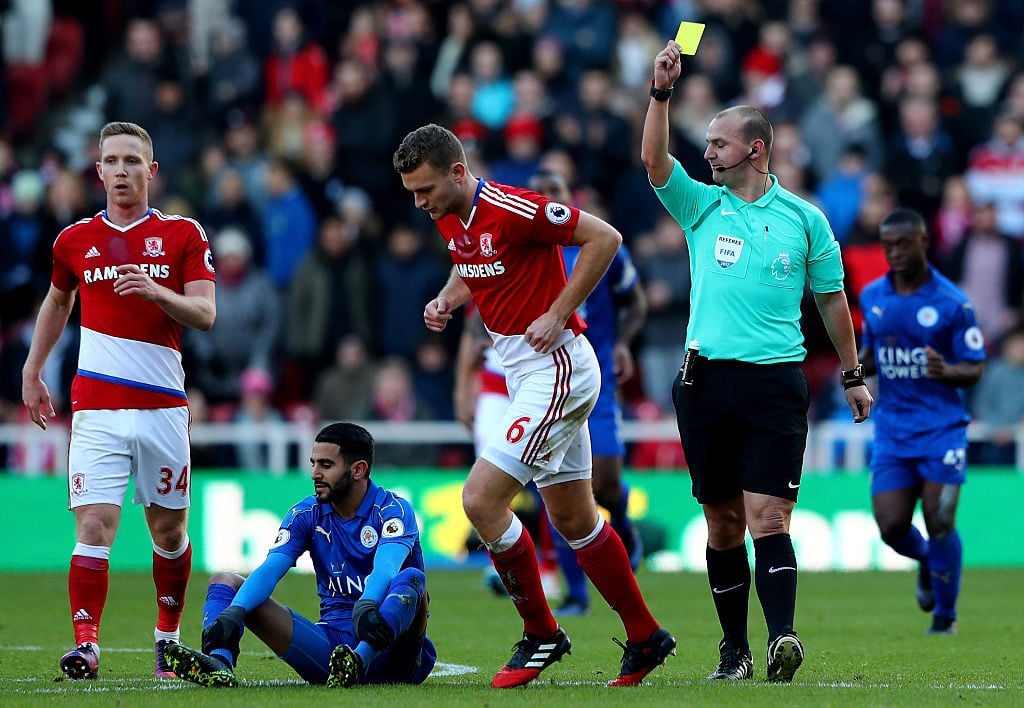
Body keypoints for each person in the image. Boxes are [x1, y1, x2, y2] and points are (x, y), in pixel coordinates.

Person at [394, 123, 674, 688]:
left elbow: (606, 238)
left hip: (557, 368)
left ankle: (542, 633)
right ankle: (645, 636)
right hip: (527, 374)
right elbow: (471, 262)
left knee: (480, 500)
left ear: (457, 171)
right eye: (412, 193)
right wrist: (448, 299)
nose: (419, 203)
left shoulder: (514, 206)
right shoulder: (451, 216)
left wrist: (558, 310)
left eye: (425, 190)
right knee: (575, 519)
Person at [641, 43, 873, 684]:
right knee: (720, 521)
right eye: (707, 142)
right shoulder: (699, 205)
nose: (707, 151)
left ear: (755, 148)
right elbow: (654, 160)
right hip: (706, 380)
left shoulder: (805, 220)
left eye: (717, 142)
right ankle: (734, 649)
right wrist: (660, 93)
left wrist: (853, 373)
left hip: (775, 382)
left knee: (770, 515)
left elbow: (832, 300)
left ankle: (782, 639)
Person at [21, 121, 217, 679]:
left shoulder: (183, 234)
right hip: (97, 410)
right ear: (99, 169)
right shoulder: (73, 241)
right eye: (112, 160)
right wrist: (33, 370)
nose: (122, 170)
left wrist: (157, 291)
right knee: (94, 528)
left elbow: (205, 314)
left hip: (162, 408)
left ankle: (168, 641)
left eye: (133, 160)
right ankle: (86, 644)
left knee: (169, 533)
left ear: (151, 171)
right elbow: (57, 304)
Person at [162, 422, 436, 688]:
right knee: (227, 581)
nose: (315, 473)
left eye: (326, 465)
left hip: (393, 650)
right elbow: (271, 569)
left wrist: (366, 605)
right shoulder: (306, 514)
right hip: (331, 648)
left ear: (358, 470)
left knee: (412, 579)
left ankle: (359, 661)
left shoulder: (393, 510)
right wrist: (235, 612)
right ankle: (218, 663)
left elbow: (386, 568)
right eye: (313, 463)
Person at [858, 208, 985, 636]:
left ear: (924, 242)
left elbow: (974, 366)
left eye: (902, 244)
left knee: (941, 517)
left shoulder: (952, 303)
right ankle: (932, 561)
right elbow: (871, 353)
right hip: (893, 430)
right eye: (887, 245)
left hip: (941, 428)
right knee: (891, 527)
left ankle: (944, 619)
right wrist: (855, 368)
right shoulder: (874, 296)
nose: (894, 253)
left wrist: (945, 370)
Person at [530, 167, 649, 615]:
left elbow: (635, 302)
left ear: (569, 196)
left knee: (606, 481)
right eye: (537, 192)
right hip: (545, 384)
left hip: (595, 377)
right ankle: (575, 594)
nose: (545, 199)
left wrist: (621, 343)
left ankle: (624, 520)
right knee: (555, 488)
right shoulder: (520, 251)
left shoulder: (597, 245)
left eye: (554, 191)